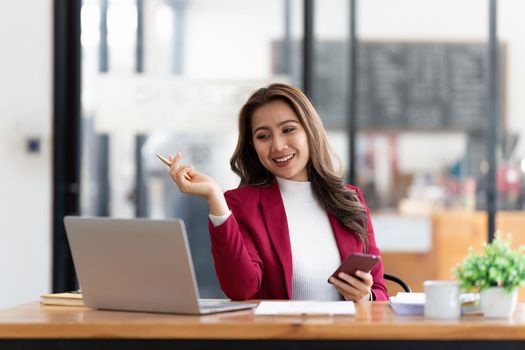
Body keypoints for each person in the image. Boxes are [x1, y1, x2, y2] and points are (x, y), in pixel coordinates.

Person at [168, 83, 388, 302]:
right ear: (252, 145)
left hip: (344, 334)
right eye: (263, 136)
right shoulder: (243, 205)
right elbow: (240, 288)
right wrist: (214, 196)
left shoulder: (349, 199)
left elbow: (380, 292)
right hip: (281, 335)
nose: (278, 146)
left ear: (310, 131)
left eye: (288, 129)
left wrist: (366, 296)